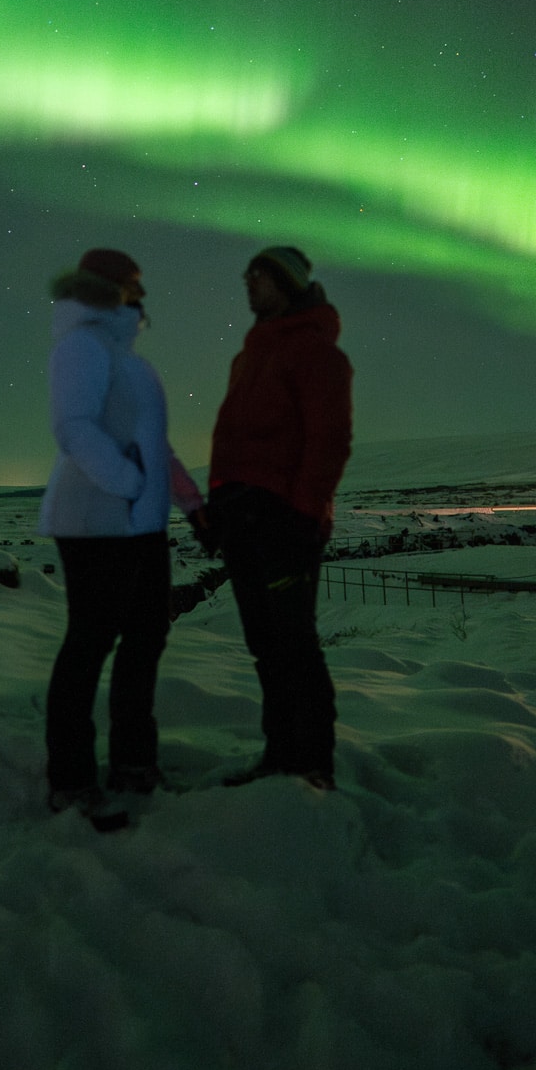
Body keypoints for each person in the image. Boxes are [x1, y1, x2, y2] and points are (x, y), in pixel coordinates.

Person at [39, 247, 203, 821]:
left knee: (143, 642)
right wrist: (131, 482)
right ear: (106, 289)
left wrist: (190, 504)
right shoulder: (81, 345)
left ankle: (135, 765)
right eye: (134, 284)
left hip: (140, 525)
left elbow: (156, 446)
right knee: (90, 645)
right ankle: (72, 779)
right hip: (94, 523)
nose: (143, 296)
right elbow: (74, 430)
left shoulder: (129, 359)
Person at [207, 245, 352, 789]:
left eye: (260, 275)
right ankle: (280, 754)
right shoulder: (249, 357)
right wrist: (218, 505)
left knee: (294, 644)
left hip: (285, 521)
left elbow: (328, 441)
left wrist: (303, 513)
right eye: (247, 273)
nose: (248, 282)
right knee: (265, 645)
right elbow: (234, 444)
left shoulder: (316, 354)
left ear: (286, 283)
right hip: (242, 519)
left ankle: (312, 763)